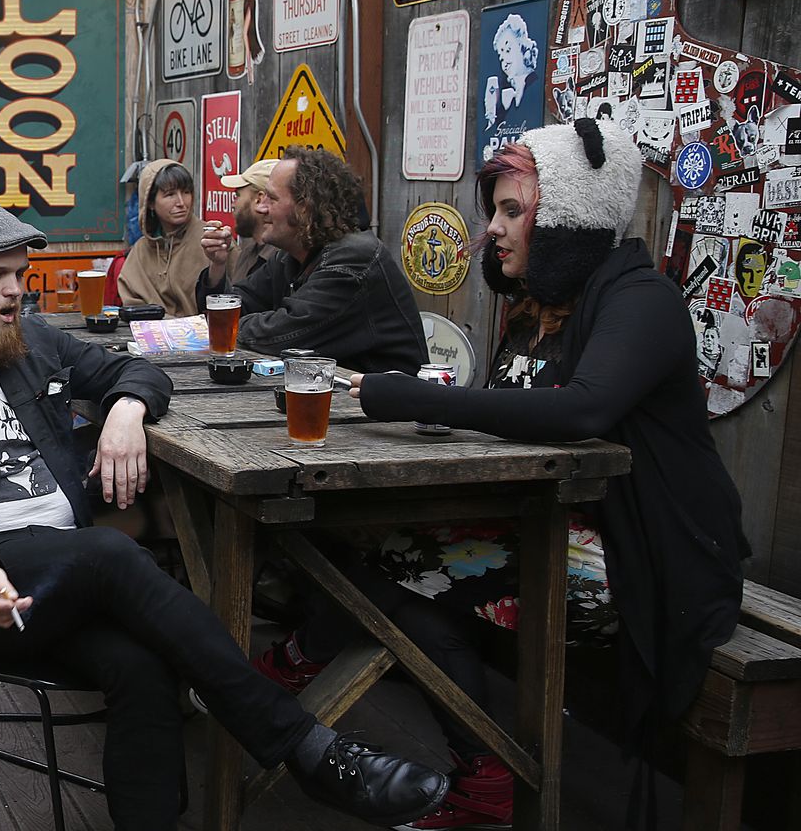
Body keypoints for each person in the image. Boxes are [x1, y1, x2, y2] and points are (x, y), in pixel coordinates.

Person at [0, 199, 449, 830]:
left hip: (69, 577)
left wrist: (125, 411)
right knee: (112, 554)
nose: (13, 291)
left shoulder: (34, 341)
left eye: (21, 275)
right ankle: (306, 746)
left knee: (141, 667)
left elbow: (138, 369)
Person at [265, 121, 747, 830]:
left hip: (648, 560)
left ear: (573, 216)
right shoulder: (540, 311)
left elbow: (584, 410)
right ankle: (481, 766)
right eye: (495, 210)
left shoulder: (641, 300)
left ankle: (296, 676)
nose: (492, 229)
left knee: (393, 557)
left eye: (513, 210)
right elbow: (513, 423)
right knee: (374, 547)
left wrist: (399, 392)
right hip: (557, 525)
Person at [198, 146, 427, 374]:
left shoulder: (352, 261)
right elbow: (237, 305)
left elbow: (280, 336)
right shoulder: (292, 255)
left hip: (385, 407)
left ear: (305, 209)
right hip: (337, 397)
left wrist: (223, 327)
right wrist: (218, 266)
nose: (260, 207)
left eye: (271, 198)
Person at [116, 159, 201, 316]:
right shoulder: (141, 251)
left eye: (186, 192)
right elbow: (133, 308)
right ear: (150, 203)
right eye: (170, 195)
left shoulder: (210, 240)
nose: (181, 202)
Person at [217, 158, 285, 283]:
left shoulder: (283, 259)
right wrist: (217, 265)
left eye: (237, 196)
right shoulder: (247, 252)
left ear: (259, 200)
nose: (233, 204)